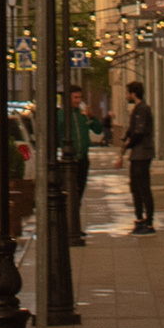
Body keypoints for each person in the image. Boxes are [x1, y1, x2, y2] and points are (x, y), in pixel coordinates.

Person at [125, 80, 156, 233]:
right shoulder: (138, 109)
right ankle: (140, 219)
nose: (126, 96)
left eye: (127, 92)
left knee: (142, 187)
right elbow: (132, 130)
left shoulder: (142, 109)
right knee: (136, 187)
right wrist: (126, 139)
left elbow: (139, 132)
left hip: (142, 154)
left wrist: (128, 144)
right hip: (137, 154)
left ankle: (148, 222)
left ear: (133, 93)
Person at [64, 84, 91, 244]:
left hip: (82, 160)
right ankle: (70, 226)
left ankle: (75, 225)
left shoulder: (81, 116)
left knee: (78, 194)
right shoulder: (63, 115)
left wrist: (91, 117)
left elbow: (97, 129)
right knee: (71, 195)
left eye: (80, 98)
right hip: (69, 161)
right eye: (75, 98)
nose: (78, 101)